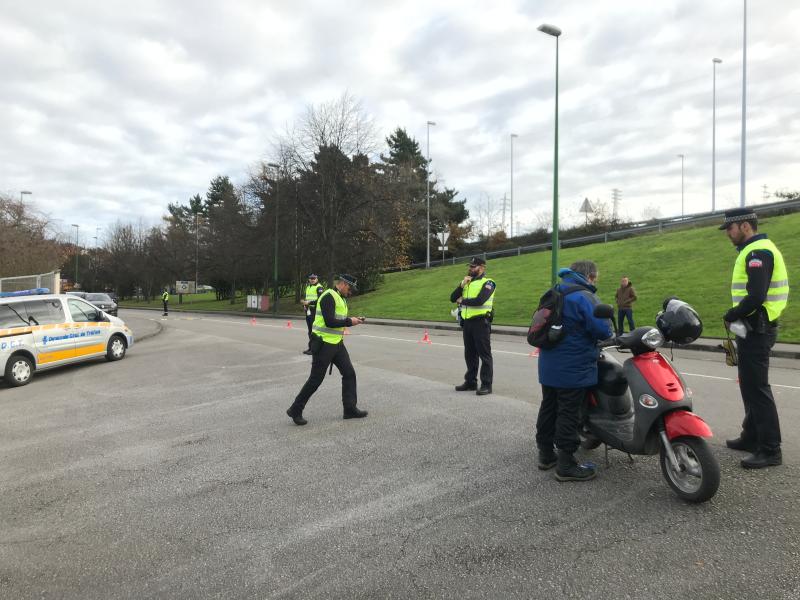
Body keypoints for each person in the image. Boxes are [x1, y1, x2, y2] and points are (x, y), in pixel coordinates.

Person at [720, 208, 789, 469]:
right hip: (751, 328)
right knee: (748, 384)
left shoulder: (758, 252)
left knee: (758, 389)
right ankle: (751, 436)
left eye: (730, 228)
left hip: (757, 328)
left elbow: (756, 296)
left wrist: (732, 314)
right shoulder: (753, 250)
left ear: (745, 226)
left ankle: (771, 450)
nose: (728, 234)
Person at [535, 260, 613, 482]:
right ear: (589, 277)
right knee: (569, 413)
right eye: (595, 279)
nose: (594, 282)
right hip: (573, 366)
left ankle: (546, 454)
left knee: (549, 407)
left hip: (549, 364)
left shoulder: (555, 291)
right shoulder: (583, 296)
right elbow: (602, 329)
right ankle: (566, 464)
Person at [286, 274, 368, 426]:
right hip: (323, 345)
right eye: (350, 288)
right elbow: (330, 321)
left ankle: (349, 409)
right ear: (343, 284)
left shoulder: (341, 298)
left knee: (349, 373)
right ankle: (295, 409)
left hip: (337, 344)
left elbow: (337, 319)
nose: (351, 292)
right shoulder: (328, 296)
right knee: (315, 380)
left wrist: (351, 319)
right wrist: (350, 321)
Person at [450, 256, 496, 395]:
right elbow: (452, 298)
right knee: (470, 354)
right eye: (469, 266)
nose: (470, 269)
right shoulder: (467, 282)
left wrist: (462, 300)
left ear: (482, 268)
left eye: (473, 267)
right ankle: (470, 382)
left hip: (481, 323)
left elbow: (480, 300)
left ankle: (487, 385)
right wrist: (462, 285)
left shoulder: (488, 282)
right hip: (468, 323)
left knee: (484, 355)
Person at [301, 273, 324, 355]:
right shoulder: (308, 287)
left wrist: (309, 302)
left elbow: (320, 299)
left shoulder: (319, 287)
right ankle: (311, 348)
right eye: (311, 278)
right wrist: (305, 305)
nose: (312, 279)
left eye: (314, 278)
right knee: (310, 331)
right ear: (309, 279)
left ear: (317, 279)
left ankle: (315, 349)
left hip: (315, 311)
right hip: (308, 311)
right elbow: (307, 298)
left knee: (314, 331)